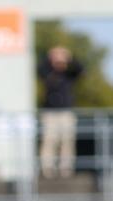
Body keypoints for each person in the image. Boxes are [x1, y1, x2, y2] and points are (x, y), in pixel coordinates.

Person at [37, 45, 84, 178]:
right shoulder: (48, 73)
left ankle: (66, 169)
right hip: (49, 113)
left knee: (67, 141)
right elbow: (39, 69)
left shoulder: (69, 74)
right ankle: (47, 169)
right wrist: (50, 57)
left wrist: (69, 57)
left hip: (66, 113)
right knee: (49, 140)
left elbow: (81, 69)